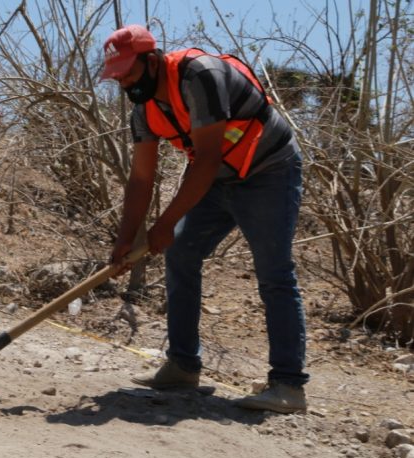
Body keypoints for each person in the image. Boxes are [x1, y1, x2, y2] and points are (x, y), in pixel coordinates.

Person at [101, 25, 308, 413]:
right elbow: (141, 178)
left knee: (274, 272)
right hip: (216, 179)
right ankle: (182, 366)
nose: (124, 82)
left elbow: (208, 158)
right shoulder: (143, 110)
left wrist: (164, 224)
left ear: (152, 60)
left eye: (128, 72)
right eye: (118, 76)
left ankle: (288, 386)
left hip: (269, 171)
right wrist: (125, 239)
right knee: (181, 253)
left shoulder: (200, 75)